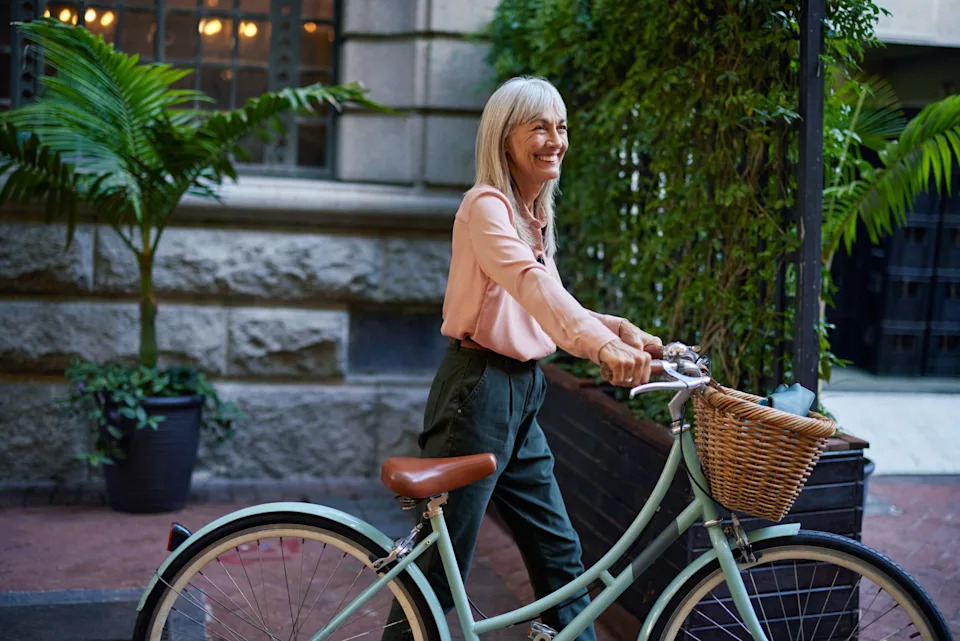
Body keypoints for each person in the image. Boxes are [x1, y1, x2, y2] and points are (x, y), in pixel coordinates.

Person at [389, 76, 662, 641]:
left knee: (559, 556)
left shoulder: (530, 214)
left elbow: (550, 303)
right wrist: (601, 348)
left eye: (561, 127)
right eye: (538, 126)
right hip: (478, 392)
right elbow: (531, 286)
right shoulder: (486, 206)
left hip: (520, 392)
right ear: (503, 138)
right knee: (438, 577)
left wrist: (618, 330)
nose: (555, 139)